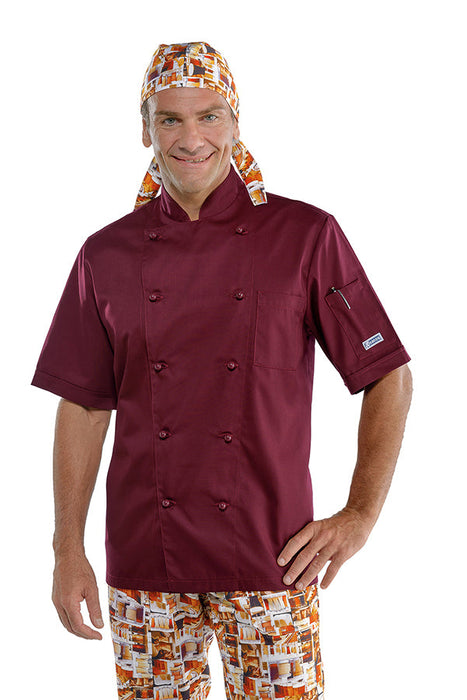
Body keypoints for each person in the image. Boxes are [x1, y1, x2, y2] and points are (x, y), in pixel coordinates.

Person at [30, 41, 413, 700]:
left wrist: (359, 515)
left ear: (236, 121)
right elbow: (83, 406)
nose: (190, 138)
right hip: (145, 565)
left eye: (208, 115)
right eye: (169, 119)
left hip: (274, 561)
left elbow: (386, 373)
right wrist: (67, 549)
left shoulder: (305, 235)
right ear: (144, 129)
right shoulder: (105, 254)